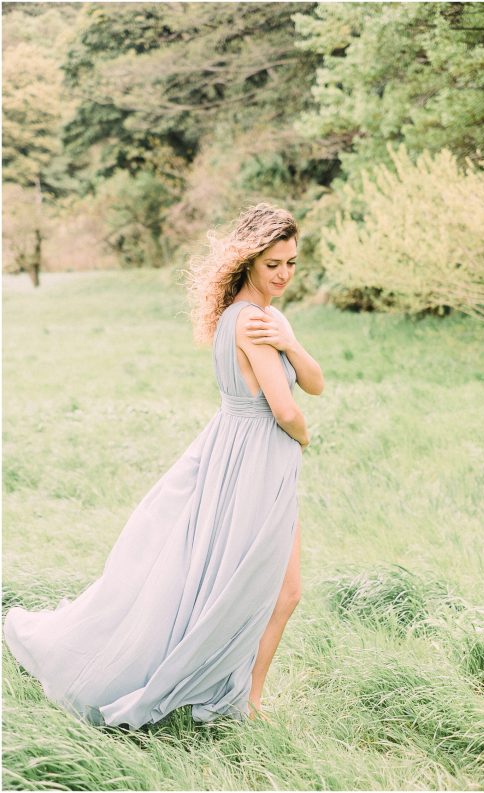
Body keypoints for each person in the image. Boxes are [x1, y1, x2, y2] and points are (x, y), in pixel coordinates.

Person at [3, 202, 324, 729]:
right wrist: (304, 439)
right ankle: (241, 701)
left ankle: (244, 700)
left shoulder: (266, 319)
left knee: (269, 588)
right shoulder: (247, 322)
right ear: (247, 261)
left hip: (244, 457)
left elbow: (315, 381)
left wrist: (290, 340)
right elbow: (287, 408)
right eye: (273, 264)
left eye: (291, 262)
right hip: (254, 464)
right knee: (270, 589)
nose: (284, 274)